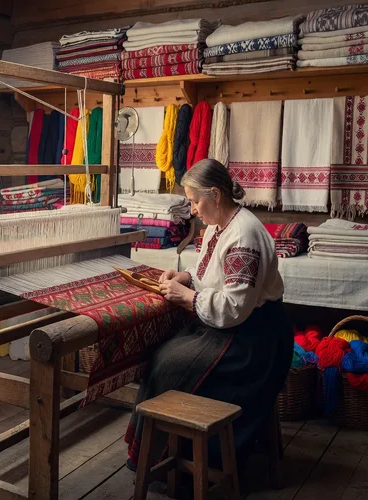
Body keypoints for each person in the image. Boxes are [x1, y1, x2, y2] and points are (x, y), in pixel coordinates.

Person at [125, 158, 293, 488]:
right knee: (163, 352)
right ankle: (160, 458)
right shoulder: (220, 226)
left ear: (215, 194)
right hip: (237, 329)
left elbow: (234, 306)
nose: (192, 209)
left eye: (194, 201)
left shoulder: (244, 236)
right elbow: (209, 274)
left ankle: (180, 469)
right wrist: (186, 277)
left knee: (168, 363)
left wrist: (185, 297)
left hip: (255, 343)